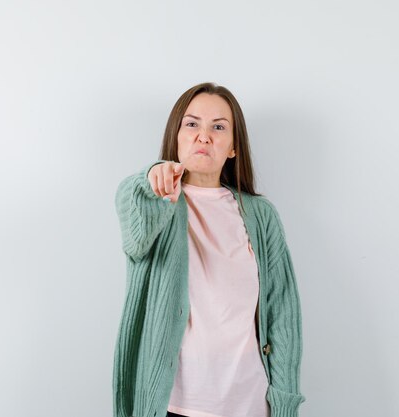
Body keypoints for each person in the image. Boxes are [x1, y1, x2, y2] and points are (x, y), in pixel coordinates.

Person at [113, 82, 306, 417]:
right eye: (192, 124)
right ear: (176, 136)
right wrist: (151, 178)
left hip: (250, 404)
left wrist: (285, 401)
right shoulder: (155, 199)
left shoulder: (260, 216)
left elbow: (283, 315)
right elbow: (136, 233)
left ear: (233, 147)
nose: (204, 136)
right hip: (172, 405)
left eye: (218, 127)